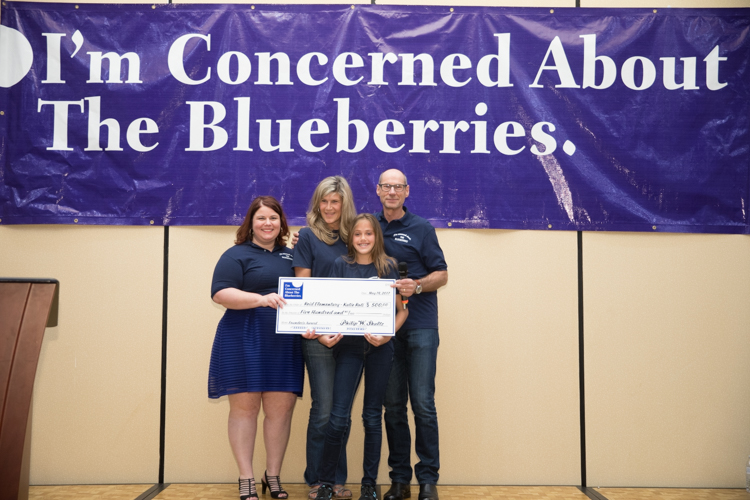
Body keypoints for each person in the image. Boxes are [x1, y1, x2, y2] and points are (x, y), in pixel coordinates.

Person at [209, 196, 302, 500]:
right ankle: (246, 478)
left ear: (282, 223)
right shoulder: (235, 255)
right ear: (250, 223)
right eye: (261, 218)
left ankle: (272, 476)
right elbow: (220, 293)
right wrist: (261, 299)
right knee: (245, 410)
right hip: (243, 337)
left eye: (273, 218)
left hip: (283, 341)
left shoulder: (292, 256)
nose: (267, 223)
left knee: (280, 411)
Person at [315, 213, 409, 500]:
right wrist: (322, 333)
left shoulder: (390, 267)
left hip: (381, 349)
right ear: (351, 238)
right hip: (349, 349)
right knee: (338, 417)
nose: (364, 239)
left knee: (372, 417)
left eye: (369, 233)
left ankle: (369, 483)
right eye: (358, 234)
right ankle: (326, 483)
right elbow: (327, 307)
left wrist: (387, 335)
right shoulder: (339, 265)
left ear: (376, 237)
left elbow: (403, 310)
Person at [376, 169, 448, 500]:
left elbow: (442, 274)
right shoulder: (368, 228)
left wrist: (417, 285)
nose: (392, 191)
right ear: (378, 191)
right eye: (386, 186)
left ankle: (428, 479)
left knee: (422, 403)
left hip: (420, 326)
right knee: (392, 406)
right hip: (384, 328)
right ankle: (400, 480)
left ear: (407, 191)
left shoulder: (422, 228)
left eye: (398, 186)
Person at [293, 176, 358, 500]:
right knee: (324, 409)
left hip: (350, 337)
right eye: (324, 201)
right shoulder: (306, 237)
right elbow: (301, 289)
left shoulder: (357, 238)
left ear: (345, 204)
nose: (330, 207)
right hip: (316, 336)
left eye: (336, 201)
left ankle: (336, 480)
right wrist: (318, 330)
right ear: (317, 204)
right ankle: (318, 480)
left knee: (341, 412)